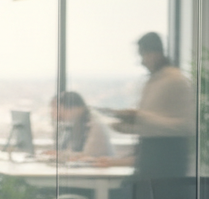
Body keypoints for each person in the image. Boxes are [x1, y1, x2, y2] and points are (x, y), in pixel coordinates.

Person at [108, 32, 194, 177]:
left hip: (168, 157)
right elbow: (150, 127)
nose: (142, 62)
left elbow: (186, 126)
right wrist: (122, 125)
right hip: (149, 155)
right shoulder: (153, 81)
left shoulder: (175, 80)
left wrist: (140, 117)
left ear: (155, 53)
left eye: (144, 55)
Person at [52, 91, 113, 160]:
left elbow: (89, 155)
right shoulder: (75, 124)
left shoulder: (95, 126)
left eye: (58, 108)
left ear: (73, 108)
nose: (56, 113)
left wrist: (60, 154)